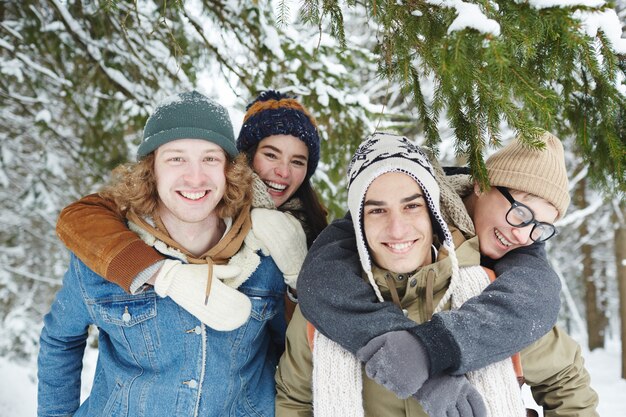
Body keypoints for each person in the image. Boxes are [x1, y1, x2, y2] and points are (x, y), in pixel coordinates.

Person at [296, 132, 599, 415]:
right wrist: (420, 368)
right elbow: (321, 275)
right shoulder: (402, 195)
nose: (524, 236)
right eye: (520, 213)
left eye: (540, 228)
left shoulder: (507, 271)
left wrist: (431, 348)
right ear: (480, 184)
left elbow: (539, 302)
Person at [37, 91, 292, 416]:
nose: (195, 177)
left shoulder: (261, 254)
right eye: (176, 158)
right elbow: (61, 340)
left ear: (229, 169)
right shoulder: (108, 252)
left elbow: (292, 352)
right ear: (151, 169)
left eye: (210, 158)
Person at [53, 90, 328, 324]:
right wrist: (160, 273)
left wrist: (297, 280)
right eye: (271, 155)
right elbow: (81, 216)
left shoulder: (311, 224)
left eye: (298, 161)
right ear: (245, 156)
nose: (282, 172)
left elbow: (290, 345)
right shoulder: (210, 197)